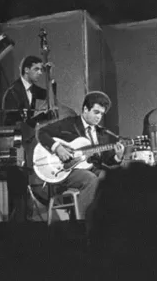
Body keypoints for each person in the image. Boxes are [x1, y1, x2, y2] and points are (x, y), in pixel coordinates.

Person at [36, 91, 124, 229]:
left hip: (92, 169)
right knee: (90, 179)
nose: (99, 117)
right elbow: (42, 132)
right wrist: (58, 148)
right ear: (85, 109)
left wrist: (117, 156)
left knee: (114, 179)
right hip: (66, 171)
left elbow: (106, 159)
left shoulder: (102, 133)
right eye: (96, 112)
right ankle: (83, 226)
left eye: (101, 114)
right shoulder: (69, 124)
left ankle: (110, 226)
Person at [1, 55, 55, 220]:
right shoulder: (13, 92)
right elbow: (8, 122)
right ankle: (19, 221)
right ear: (26, 70)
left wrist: (50, 77)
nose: (40, 73)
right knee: (18, 188)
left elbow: (51, 99)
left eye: (41, 69)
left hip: (33, 141)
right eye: (36, 69)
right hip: (19, 145)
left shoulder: (38, 91)